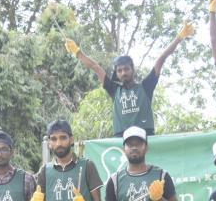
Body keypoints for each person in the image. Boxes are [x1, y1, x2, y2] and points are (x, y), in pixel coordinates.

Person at [65, 22, 194, 137]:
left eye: (126, 69)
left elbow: (161, 59)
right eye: (120, 70)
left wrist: (179, 37)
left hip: (146, 137)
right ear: (116, 73)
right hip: (121, 139)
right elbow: (96, 67)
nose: (123, 73)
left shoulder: (146, 86)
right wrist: (77, 52)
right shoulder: (114, 89)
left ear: (132, 69)